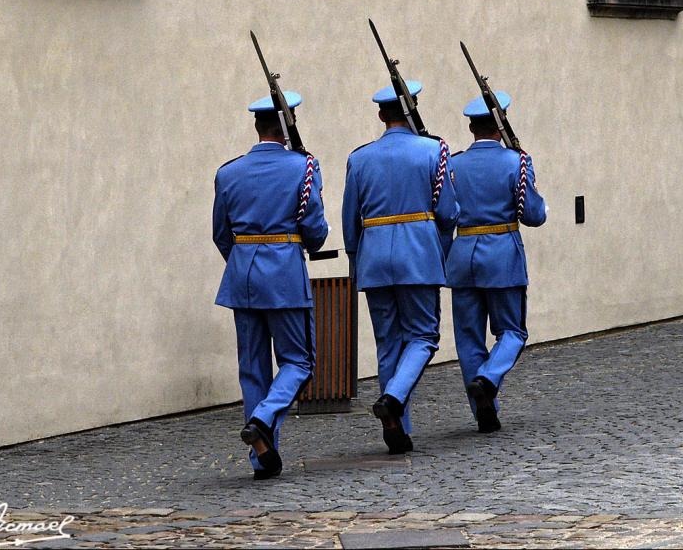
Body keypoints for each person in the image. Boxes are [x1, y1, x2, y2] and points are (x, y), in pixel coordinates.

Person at [212, 91, 328, 479]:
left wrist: (246, 261)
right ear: (288, 125)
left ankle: (263, 455)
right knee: (299, 360)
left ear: (258, 127)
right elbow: (314, 232)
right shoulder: (304, 167)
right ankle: (262, 420)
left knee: (253, 369)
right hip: (284, 277)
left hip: (242, 276)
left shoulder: (228, 172)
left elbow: (221, 235)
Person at [342, 80, 459, 453]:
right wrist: (438, 251)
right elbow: (448, 212)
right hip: (418, 254)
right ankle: (392, 400)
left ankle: (397, 428)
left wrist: (356, 260)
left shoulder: (359, 158)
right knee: (424, 337)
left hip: (374, 256)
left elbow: (349, 221)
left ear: (381, 115)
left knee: (388, 342)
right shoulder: (434, 150)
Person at [445, 92, 546, 433]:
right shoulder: (516, 162)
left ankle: (482, 411)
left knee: (469, 339)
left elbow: (446, 213)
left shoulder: (453, 165)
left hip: (462, 256)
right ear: (500, 125)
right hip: (502, 253)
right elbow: (533, 214)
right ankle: (488, 381)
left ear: (472, 127)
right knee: (513, 332)